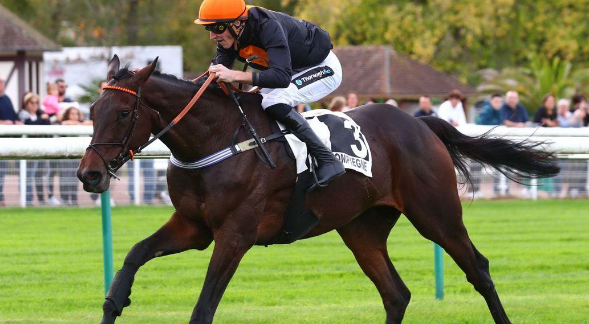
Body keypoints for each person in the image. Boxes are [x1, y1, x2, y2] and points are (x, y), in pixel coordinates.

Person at [196, 0, 345, 188]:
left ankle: (327, 159)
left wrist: (234, 75)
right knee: (252, 102)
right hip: (290, 70)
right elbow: (215, 78)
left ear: (237, 23)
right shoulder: (228, 36)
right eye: (207, 28)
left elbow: (281, 77)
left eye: (216, 28)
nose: (211, 35)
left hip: (321, 67)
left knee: (273, 101)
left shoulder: (267, 26)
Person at [18, 92, 51, 206]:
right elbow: (30, 124)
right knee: (28, 176)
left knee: (39, 176)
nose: (35, 105)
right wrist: (42, 120)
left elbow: (47, 122)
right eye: (32, 103)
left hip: (40, 149)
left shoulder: (39, 113)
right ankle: (27, 200)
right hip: (27, 149)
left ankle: (41, 199)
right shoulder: (23, 114)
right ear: (26, 104)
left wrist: (41, 119)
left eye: (37, 103)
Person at [0, 75, 22, 206]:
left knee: (2, 172)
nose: (2, 84)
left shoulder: (7, 99)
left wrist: (16, 122)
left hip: (6, 142)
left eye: (2, 81)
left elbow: (13, 116)